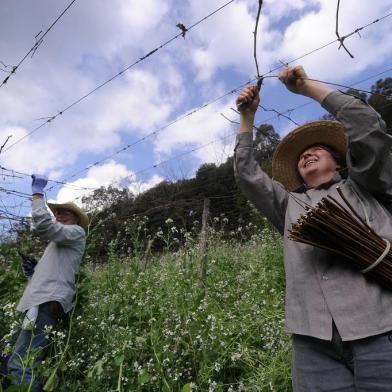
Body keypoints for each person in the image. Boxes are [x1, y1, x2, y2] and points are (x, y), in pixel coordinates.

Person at [234, 65, 392, 391]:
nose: (306, 154)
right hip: (312, 344)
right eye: (301, 156)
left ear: (340, 162)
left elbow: (366, 127)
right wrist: (247, 118)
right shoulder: (289, 205)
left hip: (381, 330)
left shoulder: (365, 185)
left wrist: (306, 87)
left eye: (316, 149)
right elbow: (248, 176)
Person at [5, 175, 88, 391]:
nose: (58, 215)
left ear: (76, 220)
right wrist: (33, 272)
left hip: (44, 302)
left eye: (65, 213)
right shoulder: (58, 244)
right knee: (10, 358)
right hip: (38, 302)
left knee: (22, 364)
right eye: (57, 212)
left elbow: (43, 224)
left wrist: (37, 193)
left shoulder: (76, 233)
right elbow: (53, 273)